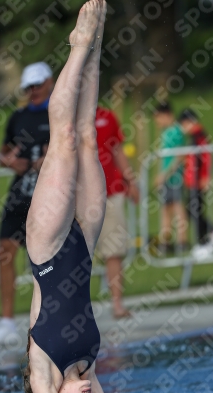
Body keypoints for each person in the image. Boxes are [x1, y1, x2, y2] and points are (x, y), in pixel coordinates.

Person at [24, 0, 109, 393]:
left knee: (62, 139)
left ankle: (77, 47)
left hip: (50, 248)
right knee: (87, 136)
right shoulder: (87, 369)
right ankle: (96, 45)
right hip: (86, 243)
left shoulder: (44, 369)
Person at [0, 62, 54, 347]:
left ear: (49, 82)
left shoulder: (59, 113)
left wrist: (50, 159)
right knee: (5, 252)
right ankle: (7, 322)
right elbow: (3, 153)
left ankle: (50, 320)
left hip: (48, 197)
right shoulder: (18, 117)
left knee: (45, 261)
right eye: (29, 87)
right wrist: (10, 161)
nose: (33, 91)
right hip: (19, 195)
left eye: (37, 85)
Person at [95, 105, 139, 318]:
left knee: (114, 250)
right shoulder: (65, 117)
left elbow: (117, 149)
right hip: (79, 198)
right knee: (74, 258)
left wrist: (130, 180)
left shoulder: (107, 116)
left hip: (112, 191)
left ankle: (117, 305)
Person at [178, 108, 213, 259]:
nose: (183, 127)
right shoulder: (195, 136)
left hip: (198, 180)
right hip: (193, 180)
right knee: (193, 210)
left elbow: (206, 157)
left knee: (196, 210)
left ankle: (204, 243)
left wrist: (205, 176)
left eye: (183, 124)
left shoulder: (199, 136)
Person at [153, 102, 188, 254]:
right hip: (166, 178)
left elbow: (179, 156)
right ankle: (166, 243)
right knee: (165, 209)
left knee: (178, 209)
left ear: (167, 115)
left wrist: (164, 174)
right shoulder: (165, 132)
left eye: (158, 118)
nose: (157, 122)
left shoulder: (176, 132)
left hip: (175, 178)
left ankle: (182, 241)